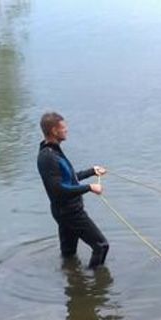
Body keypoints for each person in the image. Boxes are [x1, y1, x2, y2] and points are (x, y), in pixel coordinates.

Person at [37, 111, 110, 269]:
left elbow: (68, 179)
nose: (67, 130)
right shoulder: (48, 157)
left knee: (69, 253)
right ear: (54, 131)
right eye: (63, 128)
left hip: (64, 211)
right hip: (70, 212)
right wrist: (89, 187)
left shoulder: (53, 151)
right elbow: (58, 190)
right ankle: (94, 288)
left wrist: (92, 171)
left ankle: (73, 281)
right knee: (101, 246)